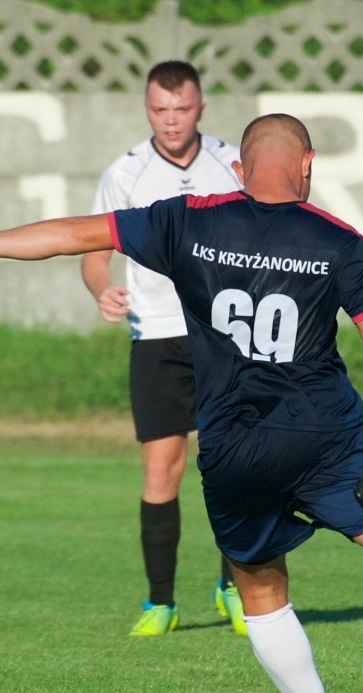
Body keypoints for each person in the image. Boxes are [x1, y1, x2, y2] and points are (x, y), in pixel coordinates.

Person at [0, 114, 363, 693]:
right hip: (324, 435)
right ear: (307, 165)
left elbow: (77, 234)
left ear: (238, 170)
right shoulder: (337, 240)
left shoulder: (187, 221)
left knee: (258, 582)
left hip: (235, 447)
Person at [82, 60, 245, 638]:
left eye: (181, 109)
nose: (171, 120)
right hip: (155, 337)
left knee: (236, 466)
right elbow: (93, 252)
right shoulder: (125, 173)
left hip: (225, 334)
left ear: (201, 106)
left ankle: (235, 589)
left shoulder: (233, 164)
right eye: (159, 110)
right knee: (161, 471)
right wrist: (103, 289)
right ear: (146, 109)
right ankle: (161, 604)